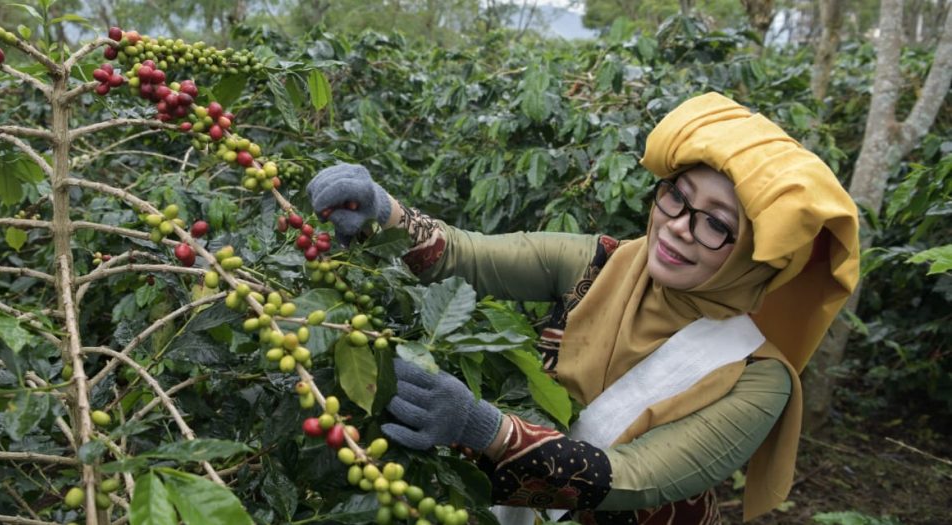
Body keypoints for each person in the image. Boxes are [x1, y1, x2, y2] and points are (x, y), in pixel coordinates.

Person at [306, 93, 860, 524]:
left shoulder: (760, 380)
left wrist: (486, 429)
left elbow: (635, 477)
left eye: (717, 225)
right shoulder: (599, 263)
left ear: (758, 259)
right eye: (677, 196)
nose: (678, 227)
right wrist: (383, 211)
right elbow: (467, 255)